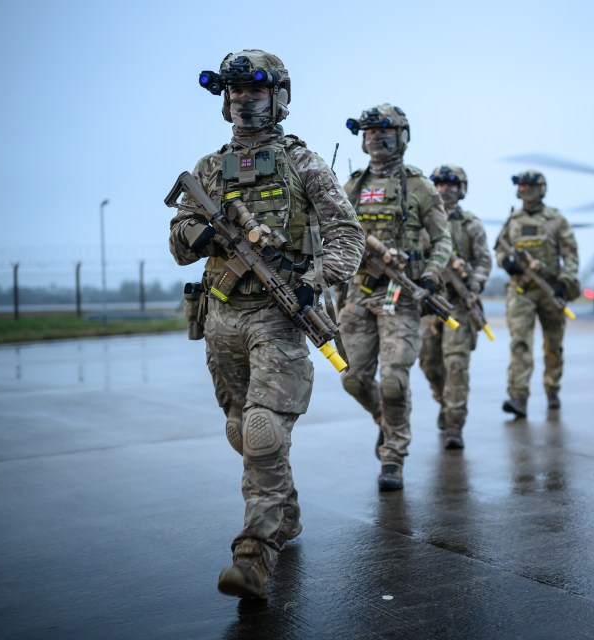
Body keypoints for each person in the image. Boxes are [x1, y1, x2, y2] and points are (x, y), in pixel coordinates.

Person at [168, 50, 364, 599]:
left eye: (253, 92)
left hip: (278, 317)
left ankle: (255, 553)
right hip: (221, 315)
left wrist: (316, 277)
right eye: (234, 93)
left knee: (262, 432)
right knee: (241, 430)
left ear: (278, 97)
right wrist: (200, 236)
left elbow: (348, 234)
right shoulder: (209, 167)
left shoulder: (302, 163)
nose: (242, 102)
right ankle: (287, 512)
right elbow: (178, 242)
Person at [339, 104, 452, 490]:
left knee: (393, 380)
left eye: (385, 130)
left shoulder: (418, 186)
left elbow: (443, 239)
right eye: (369, 132)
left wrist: (433, 273)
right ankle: (386, 423)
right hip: (358, 293)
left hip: (401, 294)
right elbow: (334, 234)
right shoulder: (351, 186)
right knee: (353, 379)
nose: (376, 137)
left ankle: (394, 456)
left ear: (402, 135)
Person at [494, 169, 579, 418]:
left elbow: (571, 254)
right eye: (523, 186)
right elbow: (499, 249)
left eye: (532, 186)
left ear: (542, 189)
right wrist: (506, 262)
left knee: (554, 345)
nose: (527, 191)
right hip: (521, 291)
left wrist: (566, 281)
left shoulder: (556, 219)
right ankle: (518, 398)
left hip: (551, 289)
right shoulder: (513, 220)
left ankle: (552, 388)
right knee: (520, 343)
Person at [418, 165, 492, 449]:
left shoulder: (471, 223)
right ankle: (444, 401)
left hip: (459, 304)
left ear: (461, 189)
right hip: (429, 304)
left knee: (456, 364)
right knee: (430, 364)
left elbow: (485, 261)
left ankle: (454, 423)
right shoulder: (422, 220)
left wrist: (473, 284)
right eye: (439, 183)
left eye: (452, 184)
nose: (445, 188)